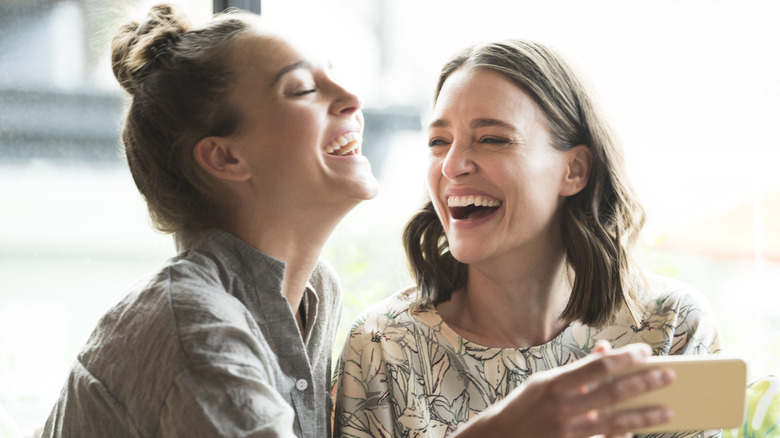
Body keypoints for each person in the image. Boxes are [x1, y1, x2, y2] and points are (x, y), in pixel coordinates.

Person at [332, 39, 721, 437]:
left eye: (492, 139)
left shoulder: (671, 326)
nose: (451, 165)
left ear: (574, 170)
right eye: (438, 142)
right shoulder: (382, 345)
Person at [41, 4, 377, 437]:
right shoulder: (192, 329)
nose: (352, 97)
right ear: (226, 157)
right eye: (301, 89)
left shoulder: (317, 293)